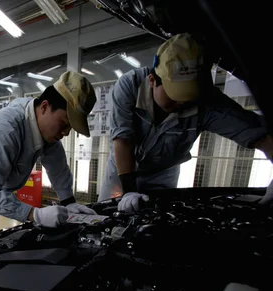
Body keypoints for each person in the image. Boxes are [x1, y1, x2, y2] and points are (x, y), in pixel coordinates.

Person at [99, 33, 273, 211]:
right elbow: (123, 139)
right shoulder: (130, 85)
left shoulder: (207, 102)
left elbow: (256, 132)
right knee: (108, 217)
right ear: (153, 81)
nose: (181, 104)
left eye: (188, 97)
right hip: (122, 172)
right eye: (174, 96)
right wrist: (128, 191)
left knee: (157, 221)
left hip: (163, 174)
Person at [0, 71, 98, 253]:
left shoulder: (48, 133)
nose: (66, 133)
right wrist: (35, 214)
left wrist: (69, 202)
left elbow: (58, 168)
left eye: (70, 128)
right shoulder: (5, 130)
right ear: (44, 107)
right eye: (64, 123)